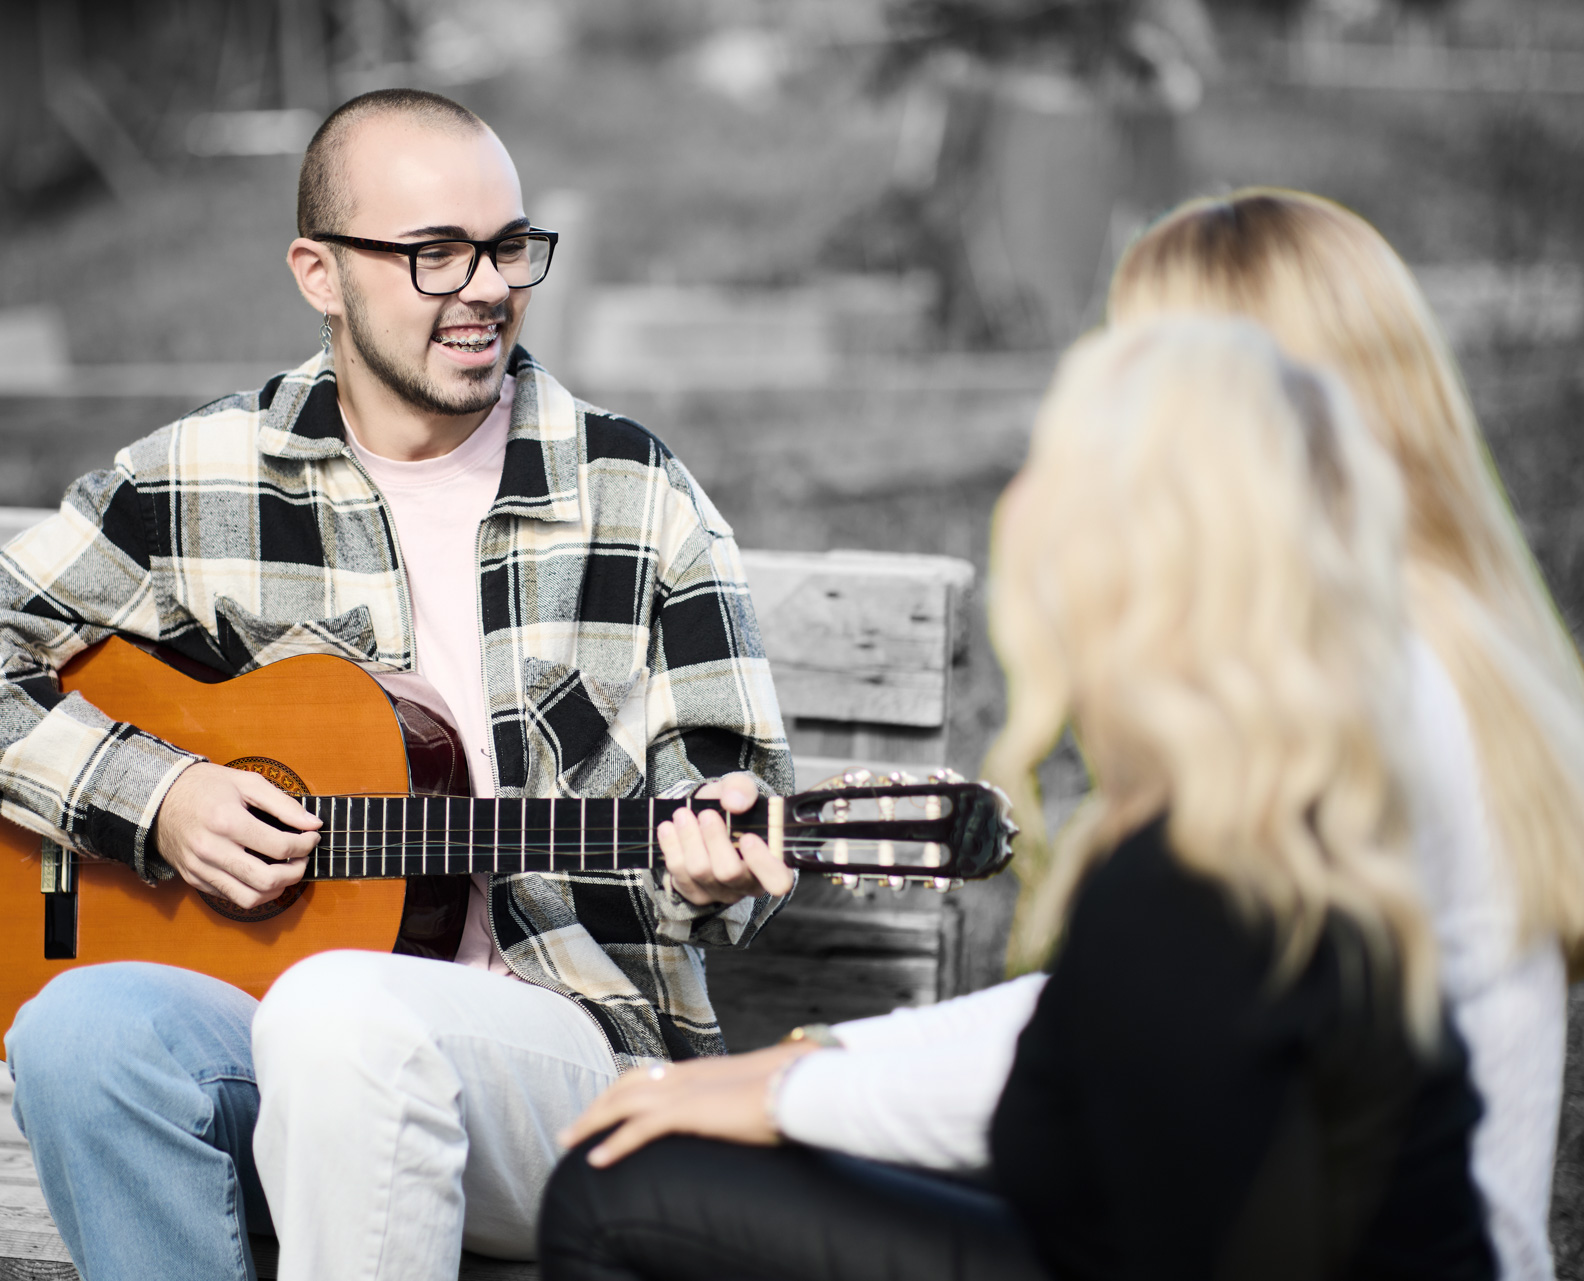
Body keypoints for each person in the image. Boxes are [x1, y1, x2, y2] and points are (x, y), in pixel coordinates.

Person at [0, 89, 797, 1281]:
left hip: (565, 1067)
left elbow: (737, 790)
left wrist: (720, 861)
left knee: (343, 1011)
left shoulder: (636, 492)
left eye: (509, 246)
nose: (486, 287)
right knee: (73, 1033)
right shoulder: (201, 474)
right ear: (319, 272)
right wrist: (158, 797)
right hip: (271, 1039)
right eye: (433, 253)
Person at [540, 317, 1497, 1280]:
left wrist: (776, 1097)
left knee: (615, 1187)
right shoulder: (1294, 816)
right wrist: (780, 1082)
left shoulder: (1192, 880)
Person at [1107, 189, 1584, 1281]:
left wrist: (800, 1078)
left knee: (657, 1188)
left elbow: (1138, 1044)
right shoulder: (1440, 641)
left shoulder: (1365, 694)